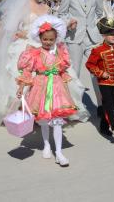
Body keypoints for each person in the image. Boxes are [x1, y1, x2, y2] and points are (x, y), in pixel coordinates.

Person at [0, 0, 88, 126]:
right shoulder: (22, 7)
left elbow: (51, 27)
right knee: (25, 81)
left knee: (52, 79)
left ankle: (51, 108)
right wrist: (21, 33)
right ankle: (22, 111)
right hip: (27, 46)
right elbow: (10, 28)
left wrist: (68, 24)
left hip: (46, 47)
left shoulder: (46, 7)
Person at [16, 15, 77, 167]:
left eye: (51, 39)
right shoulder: (34, 53)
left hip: (56, 89)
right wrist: (22, 87)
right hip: (40, 87)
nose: (48, 42)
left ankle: (59, 152)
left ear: (56, 39)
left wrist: (63, 79)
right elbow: (27, 71)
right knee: (43, 121)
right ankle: (46, 145)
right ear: (40, 38)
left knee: (57, 122)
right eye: (45, 39)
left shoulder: (60, 53)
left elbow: (63, 69)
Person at [57, 0, 104, 108]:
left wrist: (94, 26)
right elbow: (61, 13)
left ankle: (101, 105)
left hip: (92, 38)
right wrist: (69, 22)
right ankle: (73, 105)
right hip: (74, 37)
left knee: (97, 71)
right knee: (74, 73)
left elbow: (99, 12)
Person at [86, 17, 114, 137]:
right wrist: (100, 73)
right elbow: (89, 64)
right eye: (110, 34)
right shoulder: (98, 50)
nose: (113, 36)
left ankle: (104, 127)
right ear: (104, 35)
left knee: (110, 104)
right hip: (104, 82)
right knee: (108, 104)